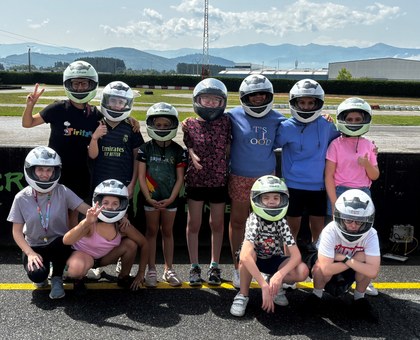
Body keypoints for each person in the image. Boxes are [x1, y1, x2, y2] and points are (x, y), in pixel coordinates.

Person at [22, 61, 101, 228]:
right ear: (68, 84)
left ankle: (70, 251)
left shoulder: (95, 115)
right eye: (76, 83)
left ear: (91, 84)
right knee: (54, 214)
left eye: (84, 83)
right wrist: (30, 106)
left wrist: (130, 120)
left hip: (80, 173)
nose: (80, 88)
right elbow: (28, 123)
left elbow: (95, 151)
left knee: (73, 217)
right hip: (56, 172)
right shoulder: (58, 108)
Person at [7, 146, 90, 299]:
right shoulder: (21, 197)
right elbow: (16, 232)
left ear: (55, 171)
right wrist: (30, 254)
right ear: (31, 170)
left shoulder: (62, 191)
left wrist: (111, 215)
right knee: (37, 275)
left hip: (59, 244)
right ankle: (44, 274)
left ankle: (57, 277)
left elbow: (86, 209)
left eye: (49, 170)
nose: (45, 175)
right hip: (35, 245)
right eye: (40, 170)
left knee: (63, 242)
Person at [228, 74, 286, 288]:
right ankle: (238, 267)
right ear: (244, 97)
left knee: (269, 226)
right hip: (240, 177)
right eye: (253, 96)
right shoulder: (232, 116)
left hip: (267, 181)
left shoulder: (279, 119)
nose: (258, 99)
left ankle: (269, 268)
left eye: (262, 95)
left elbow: (302, 127)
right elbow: (207, 123)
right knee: (238, 222)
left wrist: (326, 119)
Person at [275, 78, 340, 252]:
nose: (306, 106)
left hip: (318, 186)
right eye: (302, 102)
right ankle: (288, 261)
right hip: (293, 184)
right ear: (294, 102)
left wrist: (370, 148)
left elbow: (343, 140)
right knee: (291, 228)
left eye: (311, 103)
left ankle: (318, 261)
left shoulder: (326, 125)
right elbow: (269, 144)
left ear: (318, 103)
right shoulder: (286, 127)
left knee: (318, 228)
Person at [230, 175, 309, 317]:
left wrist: (279, 276)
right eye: (266, 198)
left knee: (302, 270)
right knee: (246, 257)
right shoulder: (254, 219)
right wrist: (263, 286)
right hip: (255, 261)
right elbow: (245, 255)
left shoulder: (282, 221)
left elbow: (296, 256)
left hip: (273, 259)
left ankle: (274, 284)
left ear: (282, 199)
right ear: (257, 200)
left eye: (275, 198)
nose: (271, 202)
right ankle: (243, 295)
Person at [325, 97, 380, 295]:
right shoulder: (336, 145)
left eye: (358, 119)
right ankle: (332, 275)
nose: (354, 122)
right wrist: (333, 202)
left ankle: (362, 279)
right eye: (350, 118)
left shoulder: (368, 145)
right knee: (335, 235)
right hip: (340, 193)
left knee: (362, 236)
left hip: (363, 194)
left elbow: (375, 175)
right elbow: (329, 176)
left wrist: (366, 164)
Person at [305, 189, 380, 323]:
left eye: (359, 222)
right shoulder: (330, 230)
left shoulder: (371, 234)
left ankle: (359, 298)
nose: (353, 225)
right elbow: (326, 269)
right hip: (331, 266)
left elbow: (373, 272)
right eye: (348, 220)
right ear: (339, 216)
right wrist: (354, 260)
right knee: (319, 269)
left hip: (341, 262)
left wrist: (345, 258)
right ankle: (316, 295)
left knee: (366, 268)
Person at [183, 78, 231, 286]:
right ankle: (194, 266)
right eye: (206, 99)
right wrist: (192, 155)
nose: (211, 104)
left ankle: (214, 265)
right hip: (195, 181)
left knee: (217, 224)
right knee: (194, 224)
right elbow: (189, 146)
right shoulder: (189, 124)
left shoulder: (227, 122)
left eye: (216, 100)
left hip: (219, 181)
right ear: (197, 100)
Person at [63, 179, 148, 293]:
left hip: (102, 259)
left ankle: (124, 277)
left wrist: (141, 273)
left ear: (122, 205)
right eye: (105, 203)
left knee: (131, 244)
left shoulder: (122, 226)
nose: (109, 207)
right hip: (82, 255)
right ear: (98, 203)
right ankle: (77, 277)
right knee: (77, 267)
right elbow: (66, 241)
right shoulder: (91, 222)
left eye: (115, 204)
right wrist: (86, 222)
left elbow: (144, 244)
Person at [138, 102, 186, 287]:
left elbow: (180, 178)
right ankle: (151, 269)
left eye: (166, 125)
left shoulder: (178, 150)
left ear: (173, 125)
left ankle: (169, 269)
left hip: (170, 200)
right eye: (158, 125)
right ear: (151, 125)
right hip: (150, 199)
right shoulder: (145, 149)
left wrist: (172, 198)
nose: (162, 128)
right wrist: (148, 197)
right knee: (151, 232)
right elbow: (141, 176)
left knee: (167, 232)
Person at [89, 81, 144, 217]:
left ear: (127, 104)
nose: (116, 105)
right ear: (106, 101)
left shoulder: (132, 127)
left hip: (123, 183)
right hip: (99, 182)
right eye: (113, 100)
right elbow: (92, 155)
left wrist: (132, 183)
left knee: (124, 221)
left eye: (121, 102)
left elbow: (138, 158)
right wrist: (95, 137)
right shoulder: (97, 124)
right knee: (99, 218)